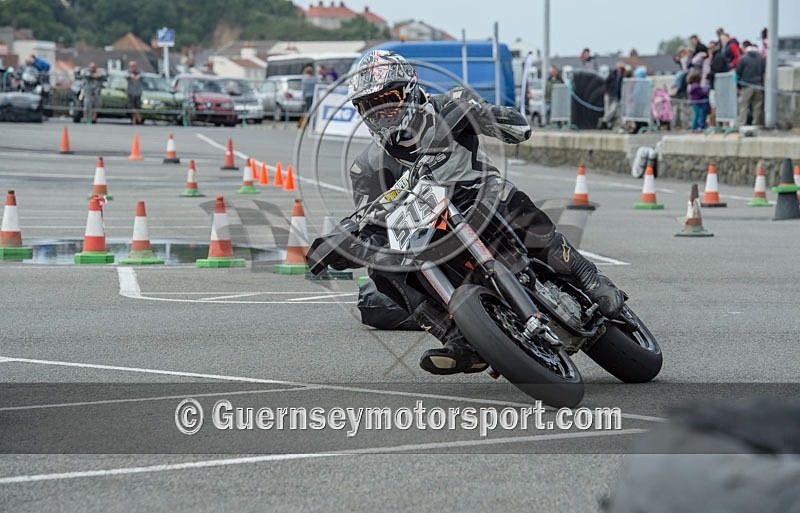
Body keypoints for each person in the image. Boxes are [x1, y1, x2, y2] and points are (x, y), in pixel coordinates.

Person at [328, 50, 626, 374]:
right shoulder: (366, 166)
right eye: (371, 105)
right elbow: (370, 217)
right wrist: (342, 242)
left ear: (410, 89)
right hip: (430, 233)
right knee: (383, 269)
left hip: (479, 198)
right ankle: (459, 337)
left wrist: (490, 117)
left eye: (388, 99)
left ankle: (589, 278)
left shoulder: (449, 104)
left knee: (507, 199)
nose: (382, 111)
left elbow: (514, 127)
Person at [735, 40, 765, 126]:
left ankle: (742, 124)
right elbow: (763, 70)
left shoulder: (743, 59)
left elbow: (738, 72)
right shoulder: (760, 58)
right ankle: (756, 124)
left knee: (744, 105)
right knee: (757, 106)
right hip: (758, 85)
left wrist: (738, 85)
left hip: (746, 85)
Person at [599, 61, 625, 129]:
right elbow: (606, 82)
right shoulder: (612, 73)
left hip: (616, 95)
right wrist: (606, 91)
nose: (620, 69)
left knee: (613, 109)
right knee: (607, 110)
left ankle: (603, 120)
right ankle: (608, 125)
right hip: (609, 93)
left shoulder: (622, 75)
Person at [125, 60, 143, 125]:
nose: (133, 67)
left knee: (137, 106)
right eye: (131, 66)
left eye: (134, 66)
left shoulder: (140, 72)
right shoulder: (127, 72)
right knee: (131, 106)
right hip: (130, 92)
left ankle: (134, 120)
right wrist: (131, 75)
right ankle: (138, 118)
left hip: (138, 92)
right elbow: (126, 75)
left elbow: (142, 75)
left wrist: (137, 76)